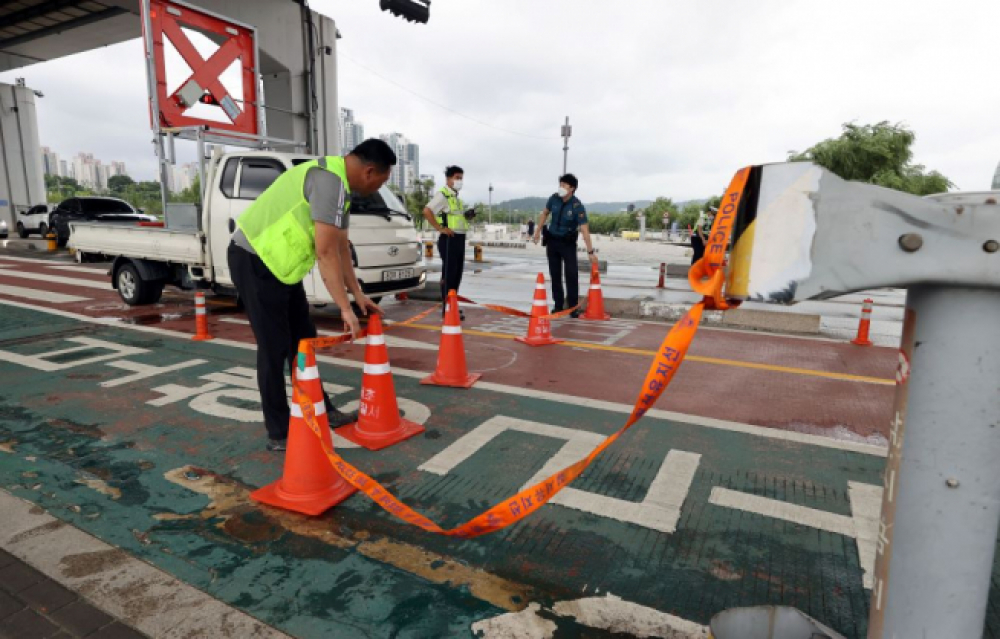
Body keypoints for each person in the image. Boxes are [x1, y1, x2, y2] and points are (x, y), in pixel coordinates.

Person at [228, 139, 395, 452]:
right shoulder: (328, 181)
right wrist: (344, 309)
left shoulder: (339, 184)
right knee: (273, 347)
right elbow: (325, 251)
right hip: (253, 259)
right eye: (381, 182)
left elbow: (341, 245)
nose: (377, 189)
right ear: (369, 171)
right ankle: (278, 432)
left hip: (280, 267)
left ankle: (322, 408)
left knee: (303, 338)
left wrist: (358, 294)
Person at [532, 174, 598, 318]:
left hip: (568, 244)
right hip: (552, 242)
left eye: (564, 185)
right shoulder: (553, 198)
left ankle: (573, 307)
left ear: (572, 188)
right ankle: (558, 306)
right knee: (555, 275)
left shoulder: (577, 206)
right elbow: (544, 214)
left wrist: (590, 251)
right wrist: (537, 231)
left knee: (571, 275)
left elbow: (585, 230)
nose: (561, 187)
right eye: (560, 184)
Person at [423, 165, 475, 319]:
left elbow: (454, 217)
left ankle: (452, 304)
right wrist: (440, 229)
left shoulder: (455, 197)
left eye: (461, 178)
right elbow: (427, 211)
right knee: (450, 274)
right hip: (449, 240)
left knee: (457, 274)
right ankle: (447, 308)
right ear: (448, 179)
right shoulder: (443, 195)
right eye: (457, 178)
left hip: (459, 238)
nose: (459, 181)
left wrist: (467, 216)